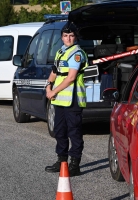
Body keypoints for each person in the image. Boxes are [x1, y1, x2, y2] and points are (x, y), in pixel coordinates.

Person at [45, 22, 89, 177]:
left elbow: (70, 78)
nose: (68, 38)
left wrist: (54, 91)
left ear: (75, 37)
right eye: (65, 36)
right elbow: (55, 72)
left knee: (74, 132)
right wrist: (48, 86)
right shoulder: (60, 52)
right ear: (62, 37)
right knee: (59, 131)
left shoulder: (77, 53)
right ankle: (61, 161)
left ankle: (75, 165)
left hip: (73, 100)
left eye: (71, 35)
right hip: (59, 100)